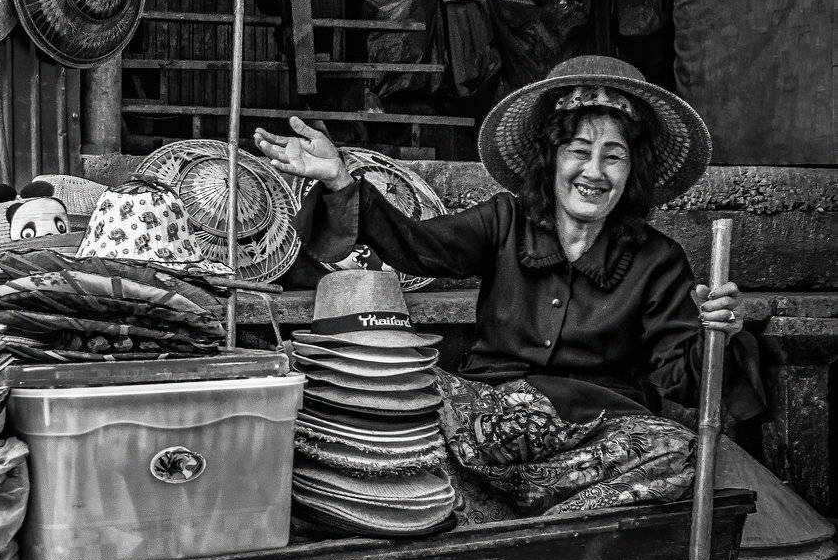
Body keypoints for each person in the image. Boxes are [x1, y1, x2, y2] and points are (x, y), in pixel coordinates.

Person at [254, 55, 760, 519]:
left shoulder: (659, 259)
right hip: (484, 415)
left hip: (595, 431)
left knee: (676, 454)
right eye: (579, 151)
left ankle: (518, 518)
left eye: (614, 156)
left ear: (633, 170)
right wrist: (339, 180)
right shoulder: (504, 220)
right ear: (551, 158)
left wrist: (719, 332)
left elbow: (684, 378)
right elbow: (416, 245)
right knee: (372, 390)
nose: (594, 172)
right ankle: (501, 500)